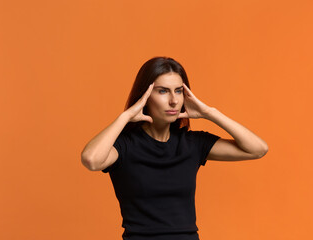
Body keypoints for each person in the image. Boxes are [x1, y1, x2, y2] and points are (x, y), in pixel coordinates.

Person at [81, 56, 269, 240]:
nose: (173, 100)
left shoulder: (192, 143)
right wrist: (125, 117)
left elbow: (257, 149)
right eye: (163, 91)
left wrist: (210, 113)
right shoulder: (125, 146)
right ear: (145, 96)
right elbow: (91, 159)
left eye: (178, 91)